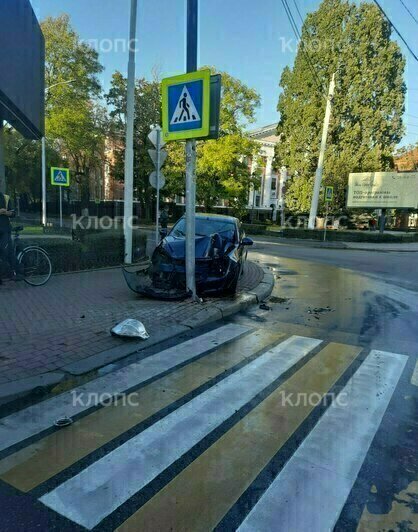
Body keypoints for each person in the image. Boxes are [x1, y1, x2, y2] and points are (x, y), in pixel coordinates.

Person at [0, 191, 17, 281]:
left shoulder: (6, 198)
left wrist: (6, 212)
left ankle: (15, 272)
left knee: (5, 251)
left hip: (4, 230)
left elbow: (13, 213)